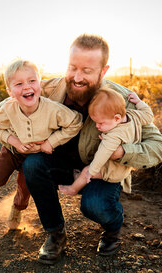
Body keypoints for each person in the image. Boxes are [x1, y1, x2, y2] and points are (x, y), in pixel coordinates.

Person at [21, 33, 162, 264]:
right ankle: (56, 234)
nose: (77, 77)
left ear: (103, 71)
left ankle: (113, 229)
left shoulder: (121, 99)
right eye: (72, 67)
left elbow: (157, 147)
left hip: (103, 171)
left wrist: (122, 153)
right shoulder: (51, 89)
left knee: (94, 206)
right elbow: (11, 106)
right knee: (34, 165)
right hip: (62, 163)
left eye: (87, 71)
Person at [0, 59, 83, 229]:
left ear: (40, 84)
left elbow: (76, 122)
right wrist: (13, 141)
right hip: (11, 152)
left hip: (36, 156)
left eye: (32, 81)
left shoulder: (52, 109)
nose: (27, 87)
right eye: (19, 83)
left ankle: (17, 209)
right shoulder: (7, 109)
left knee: (25, 187)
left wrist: (51, 142)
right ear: (10, 91)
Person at [59, 88, 153, 196]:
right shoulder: (133, 115)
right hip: (124, 168)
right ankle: (81, 179)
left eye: (101, 123)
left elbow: (102, 155)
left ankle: (73, 189)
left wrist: (91, 171)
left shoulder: (114, 136)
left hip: (113, 170)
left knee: (86, 171)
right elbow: (148, 116)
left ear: (117, 118)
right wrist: (139, 102)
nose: (97, 126)